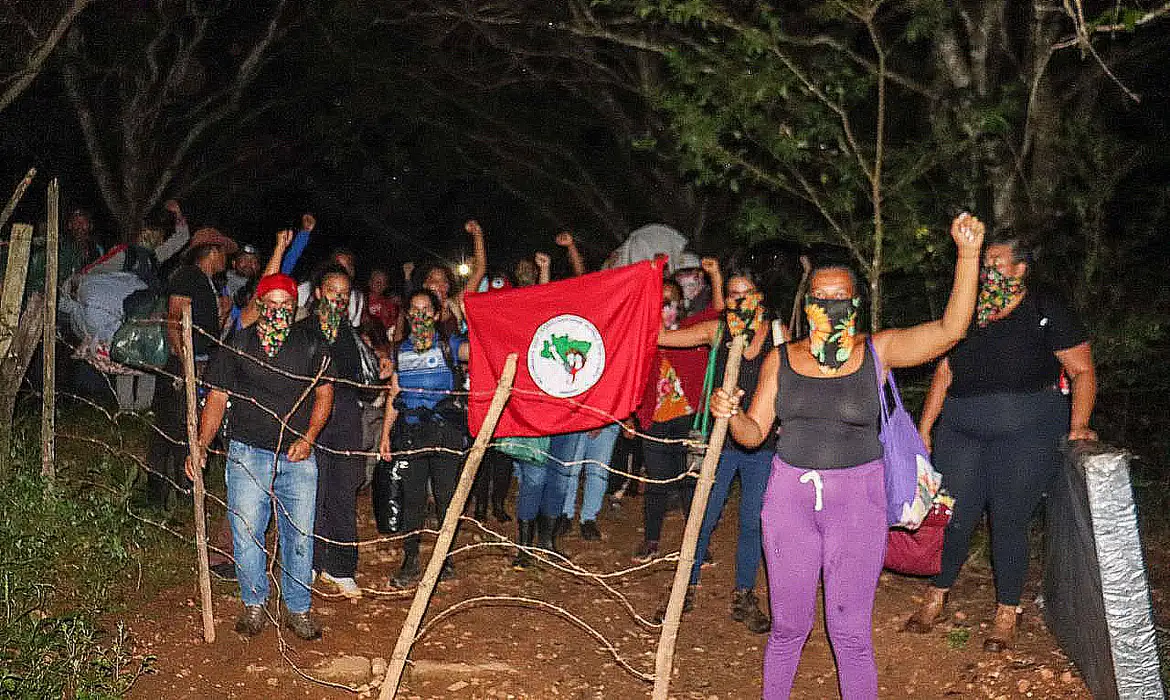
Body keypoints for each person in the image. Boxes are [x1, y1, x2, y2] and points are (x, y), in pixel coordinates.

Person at [710, 213, 985, 698]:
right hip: (788, 501)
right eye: (820, 296)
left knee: (850, 633)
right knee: (787, 628)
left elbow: (951, 329)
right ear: (807, 302)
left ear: (856, 302)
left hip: (858, 502)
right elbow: (753, 435)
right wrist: (730, 413)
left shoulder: (878, 351)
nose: (829, 304)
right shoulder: (782, 357)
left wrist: (967, 254)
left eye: (840, 297)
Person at [904, 234, 1097, 652]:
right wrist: (924, 427)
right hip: (961, 429)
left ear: (1020, 268)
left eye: (995, 262)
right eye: (984, 263)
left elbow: (1081, 370)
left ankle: (1007, 611)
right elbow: (945, 371)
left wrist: (1079, 424)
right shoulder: (969, 309)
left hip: (1028, 432)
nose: (986, 270)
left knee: (1009, 519)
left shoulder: (1045, 308)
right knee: (954, 515)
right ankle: (937, 593)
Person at [188, 273, 334, 640]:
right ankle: (254, 603)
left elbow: (325, 393)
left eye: (287, 304)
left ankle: (298, 609)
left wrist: (309, 437)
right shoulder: (238, 345)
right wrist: (201, 444)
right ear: (260, 304)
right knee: (247, 532)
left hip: (297, 458)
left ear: (295, 307)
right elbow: (217, 397)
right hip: (247, 454)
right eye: (272, 304)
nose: (279, 310)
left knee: (299, 535)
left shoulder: (311, 344)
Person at [656, 262, 784, 633]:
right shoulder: (717, 330)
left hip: (763, 444)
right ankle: (684, 589)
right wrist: (644, 300)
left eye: (746, 294)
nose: (739, 301)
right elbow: (664, 337)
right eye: (732, 295)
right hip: (719, 443)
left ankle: (744, 594)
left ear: (760, 297)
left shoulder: (778, 334)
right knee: (703, 516)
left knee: (753, 522)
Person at [379, 288, 471, 588]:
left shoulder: (449, 345)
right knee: (412, 497)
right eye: (414, 310)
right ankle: (410, 559)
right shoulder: (400, 351)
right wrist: (385, 435)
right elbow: (395, 394)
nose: (420, 316)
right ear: (407, 315)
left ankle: (445, 559)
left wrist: (466, 315)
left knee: (445, 496)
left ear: (436, 314)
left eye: (426, 310)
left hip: (445, 430)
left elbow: (477, 349)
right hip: (412, 432)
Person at [144, 226, 236, 510]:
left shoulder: (206, 282)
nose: (226, 259)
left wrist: (222, 314)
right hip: (184, 366)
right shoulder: (187, 277)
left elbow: (205, 329)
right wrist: (186, 364)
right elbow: (174, 320)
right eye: (223, 252)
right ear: (212, 252)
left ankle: (180, 492)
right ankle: (163, 494)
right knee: (172, 429)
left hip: (199, 363)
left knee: (186, 426)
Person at [632, 278, 719, 562]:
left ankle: (698, 545)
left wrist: (715, 275)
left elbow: (718, 310)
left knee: (690, 483)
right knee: (656, 483)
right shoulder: (642, 333)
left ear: (681, 303)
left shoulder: (691, 329)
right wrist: (630, 417)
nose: (666, 306)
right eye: (660, 300)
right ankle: (651, 540)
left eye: (671, 300)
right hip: (654, 418)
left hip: (688, 418)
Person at [306, 264, 368, 599]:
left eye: (344, 294)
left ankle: (342, 567)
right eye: (333, 291)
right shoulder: (301, 332)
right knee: (311, 492)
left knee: (343, 491)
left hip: (345, 419)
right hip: (311, 421)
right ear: (318, 293)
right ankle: (310, 562)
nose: (339, 299)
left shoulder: (351, 335)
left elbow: (362, 380)